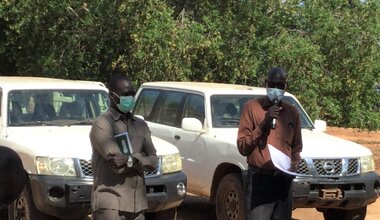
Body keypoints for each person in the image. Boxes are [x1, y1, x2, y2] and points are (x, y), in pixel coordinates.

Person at [237, 67, 303, 220]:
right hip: (260, 180)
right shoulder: (252, 108)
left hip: (283, 181)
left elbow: (296, 148)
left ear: (285, 87)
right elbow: (243, 147)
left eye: (280, 86)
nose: (276, 89)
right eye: (272, 85)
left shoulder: (292, 113)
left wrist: (294, 165)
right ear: (266, 84)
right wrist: (263, 124)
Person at [90, 75, 157, 220]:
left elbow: (154, 161)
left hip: (138, 205)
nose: (130, 98)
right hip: (111, 204)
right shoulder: (102, 123)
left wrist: (132, 160)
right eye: (125, 95)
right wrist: (141, 159)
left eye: (132, 94)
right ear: (112, 96)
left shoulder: (140, 125)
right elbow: (116, 162)